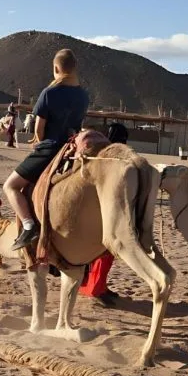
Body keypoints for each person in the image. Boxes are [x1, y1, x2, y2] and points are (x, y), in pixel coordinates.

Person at [3, 49, 89, 250]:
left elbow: (39, 129)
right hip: (72, 149)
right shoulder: (83, 96)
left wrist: (40, 144)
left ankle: (28, 225)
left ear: (56, 68)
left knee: (11, 186)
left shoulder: (49, 93)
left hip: (51, 148)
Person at [78, 121, 129, 305]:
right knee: (103, 252)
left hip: (108, 209)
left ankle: (100, 286)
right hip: (100, 210)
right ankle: (96, 289)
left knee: (108, 253)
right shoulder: (105, 158)